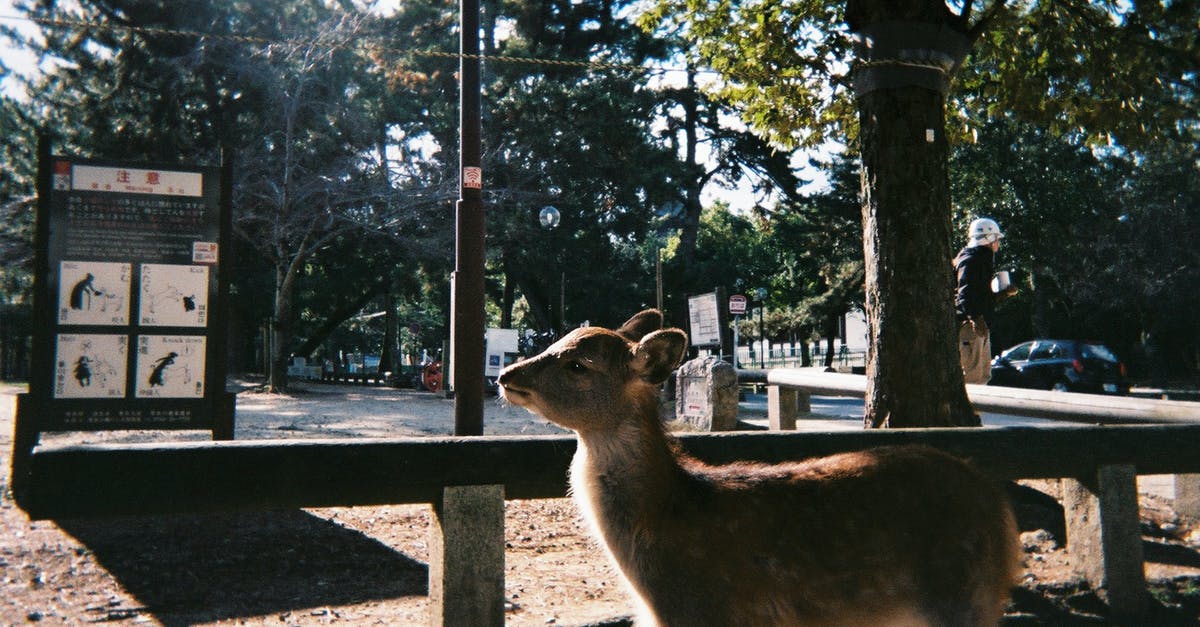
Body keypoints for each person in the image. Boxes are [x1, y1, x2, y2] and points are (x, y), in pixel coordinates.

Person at [954, 218, 1017, 384]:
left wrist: (1003, 294)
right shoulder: (973, 260)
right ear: (988, 238)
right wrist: (976, 319)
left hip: (979, 325)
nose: (998, 244)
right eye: (996, 239)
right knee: (972, 377)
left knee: (983, 376)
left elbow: (980, 297)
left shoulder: (977, 258)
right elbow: (964, 295)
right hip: (970, 327)